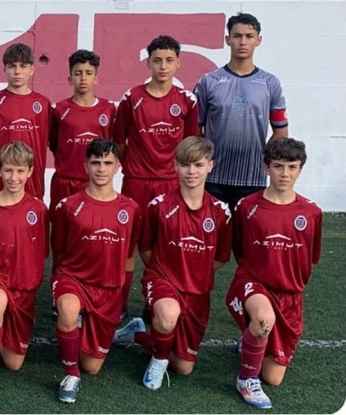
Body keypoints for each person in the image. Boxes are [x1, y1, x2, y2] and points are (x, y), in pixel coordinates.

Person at [113, 136, 232, 390]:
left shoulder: (221, 212)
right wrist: (164, 270)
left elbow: (221, 257)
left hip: (197, 291)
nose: (192, 171)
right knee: (167, 316)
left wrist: (195, 269)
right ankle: (158, 360)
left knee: (183, 366)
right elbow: (145, 248)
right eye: (185, 165)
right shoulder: (160, 206)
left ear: (210, 166)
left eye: (198, 165)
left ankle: (138, 334)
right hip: (163, 280)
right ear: (175, 166)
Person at [223, 138, 321, 409]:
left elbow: (310, 258)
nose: (285, 173)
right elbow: (240, 251)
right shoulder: (247, 207)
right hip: (253, 283)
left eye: (292, 167)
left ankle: (251, 338)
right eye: (278, 166)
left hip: (289, 296)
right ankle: (246, 379)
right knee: (263, 318)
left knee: (274, 378)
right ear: (266, 168)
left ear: (300, 169)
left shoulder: (312, 212)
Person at [113, 35, 199, 318]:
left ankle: (155, 301)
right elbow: (119, 141)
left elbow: (191, 147)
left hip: (170, 185)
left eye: (169, 60)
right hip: (136, 183)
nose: (163, 66)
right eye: (157, 60)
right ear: (148, 63)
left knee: (163, 247)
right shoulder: (132, 97)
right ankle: (121, 303)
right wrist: (133, 168)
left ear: (178, 64)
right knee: (128, 246)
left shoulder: (187, 100)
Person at [50, 139, 140, 404]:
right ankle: (70, 375)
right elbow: (59, 252)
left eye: (107, 163)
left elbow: (128, 255)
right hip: (73, 280)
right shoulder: (68, 206)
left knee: (92, 366)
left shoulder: (130, 209)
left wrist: (122, 298)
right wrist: (59, 288)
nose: (101, 169)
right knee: (68, 309)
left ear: (118, 167)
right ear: (85, 166)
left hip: (107, 289)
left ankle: (129, 333)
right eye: (95, 163)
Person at [0, 141, 49, 401]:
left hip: (24, 288)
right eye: (8, 170)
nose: (13, 177)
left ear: (30, 171)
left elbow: (41, 253)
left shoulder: (39, 209)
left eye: (19, 171)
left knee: (14, 363)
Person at [195, 13, 289, 209]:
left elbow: (281, 133)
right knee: (213, 229)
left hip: (253, 178)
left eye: (249, 36)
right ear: (227, 39)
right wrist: (203, 161)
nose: (243, 42)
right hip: (212, 176)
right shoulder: (208, 82)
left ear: (258, 40)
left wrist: (261, 160)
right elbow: (195, 131)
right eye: (237, 36)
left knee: (248, 230)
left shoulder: (270, 83)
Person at [48, 49, 116, 212]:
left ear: (96, 78)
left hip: (95, 181)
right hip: (65, 181)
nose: (83, 78)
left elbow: (112, 143)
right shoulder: (59, 110)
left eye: (88, 73)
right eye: (78, 73)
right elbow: (54, 144)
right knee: (60, 226)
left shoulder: (108, 109)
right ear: (70, 79)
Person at [0, 43, 51, 199]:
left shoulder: (43, 104)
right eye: (12, 66)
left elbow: (51, 142)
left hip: (33, 185)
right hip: (0, 185)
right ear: (4, 69)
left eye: (23, 66)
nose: (17, 72)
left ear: (32, 70)